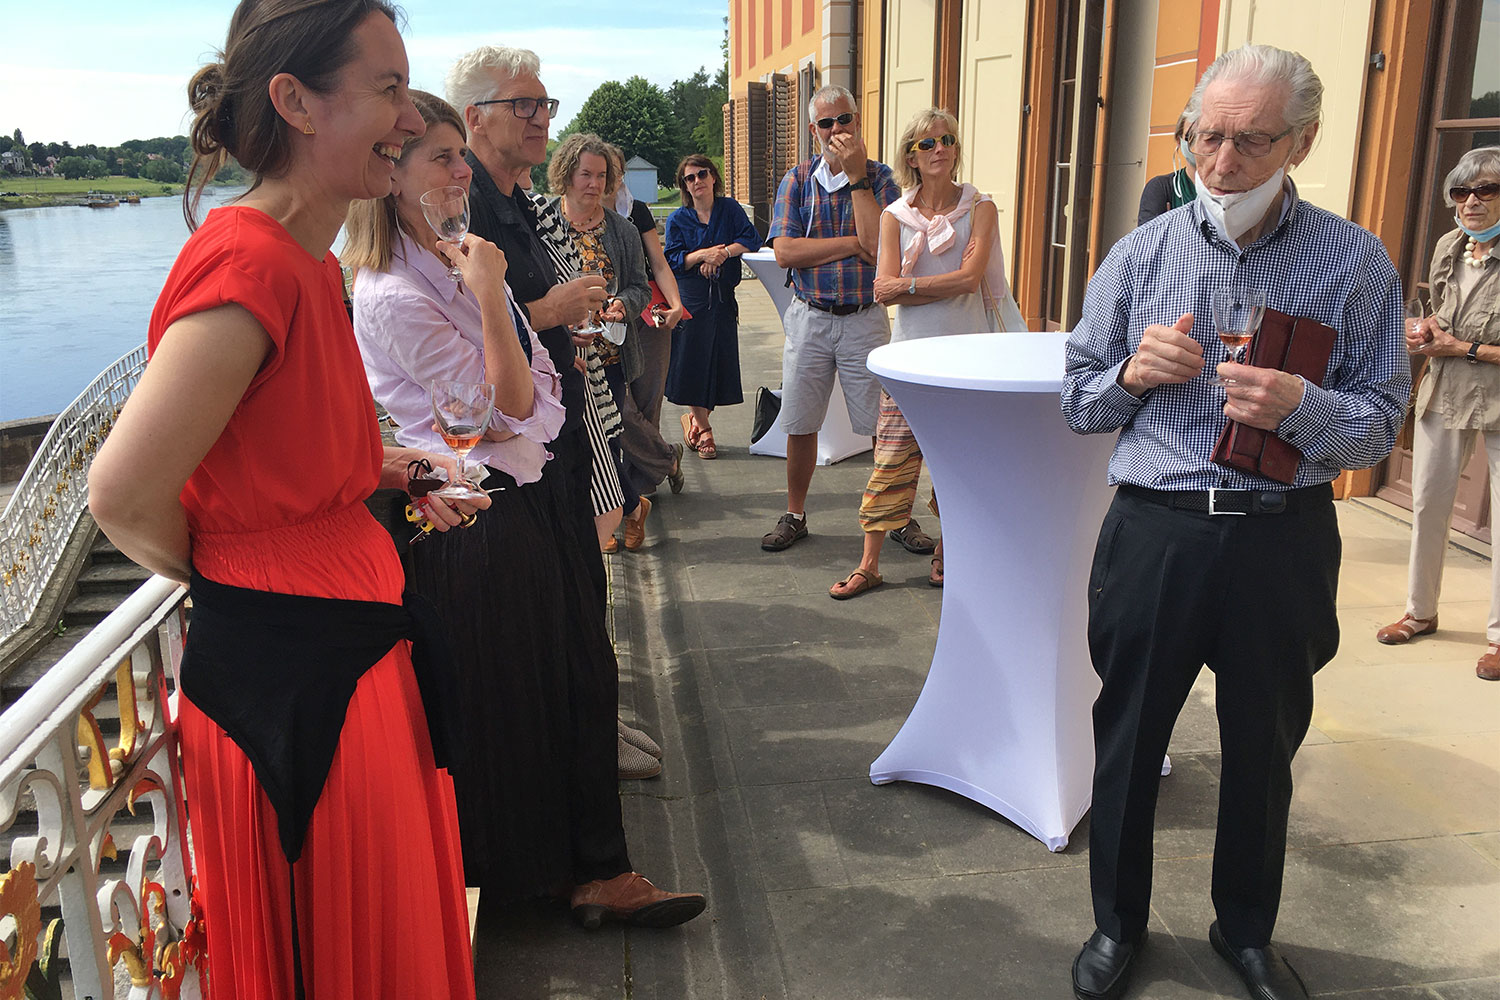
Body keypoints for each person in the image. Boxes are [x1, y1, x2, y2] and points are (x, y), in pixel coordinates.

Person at [86, 4, 485, 996]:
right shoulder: (252, 262)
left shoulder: (306, 258)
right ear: (296, 102)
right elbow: (122, 493)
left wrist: (378, 472)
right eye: (389, 89)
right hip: (297, 681)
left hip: (341, 659)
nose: (410, 118)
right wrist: (244, 573)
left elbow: (266, 446)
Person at [1061, 45, 1408, 1000]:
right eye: (1205, 137)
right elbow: (1078, 401)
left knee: (1264, 749)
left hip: (1281, 535)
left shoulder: (1355, 260)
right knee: (1129, 741)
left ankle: (1245, 930)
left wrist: (1300, 403)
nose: (1220, 163)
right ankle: (1116, 924)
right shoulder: (1140, 254)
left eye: (1251, 141)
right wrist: (1131, 374)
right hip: (1158, 531)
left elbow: (1380, 421)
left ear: (1303, 141)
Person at [346, 90, 706, 928]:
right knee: (516, 696)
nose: (459, 171)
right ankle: (540, 882)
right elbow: (507, 406)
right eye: (441, 157)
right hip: (475, 515)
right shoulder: (397, 291)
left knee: (575, 672)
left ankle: (593, 870)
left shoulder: (458, 258)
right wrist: (491, 299)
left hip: (530, 490)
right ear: (391, 175)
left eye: (457, 155)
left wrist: (501, 320)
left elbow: (540, 386)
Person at [831, 107, 1023, 599]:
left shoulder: (980, 207)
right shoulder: (895, 216)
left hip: (968, 361)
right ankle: (869, 564)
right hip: (910, 361)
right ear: (911, 157)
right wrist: (927, 284)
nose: (940, 149)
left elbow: (970, 280)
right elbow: (883, 290)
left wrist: (910, 284)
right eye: (927, 143)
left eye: (947, 140)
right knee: (890, 458)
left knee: (959, 464)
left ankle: (946, 549)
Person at [445, 46, 609, 600]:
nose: (541, 118)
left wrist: (563, 331)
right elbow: (466, 333)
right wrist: (553, 313)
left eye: (545, 104)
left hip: (551, 441)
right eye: (522, 104)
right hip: (512, 466)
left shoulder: (517, 199)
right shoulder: (462, 212)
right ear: (475, 118)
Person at [1376, 146, 1500, 681]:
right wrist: (1425, 330)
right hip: (1444, 390)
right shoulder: (1450, 245)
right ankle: (1419, 612)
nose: (1472, 201)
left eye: (1486, 189)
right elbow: (1441, 316)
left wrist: (1462, 348)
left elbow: (1463, 341)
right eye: (1461, 191)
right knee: (1427, 503)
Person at [763, 85, 900, 550]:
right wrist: (850, 245)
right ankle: (795, 513)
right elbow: (785, 252)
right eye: (827, 122)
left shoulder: (880, 179)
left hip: (864, 316)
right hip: (811, 316)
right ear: (813, 130)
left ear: (857, 121)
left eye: (844, 119)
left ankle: (895, 516)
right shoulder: (798, 179)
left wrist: (858, 178)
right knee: (800, 421)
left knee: (883, 426)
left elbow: (879, 249)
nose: (837, 129)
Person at [547, 134, 654, 551]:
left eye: (602, 175)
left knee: (606, 442)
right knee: (573, 444)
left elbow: (640, 287)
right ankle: (629, 507)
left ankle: (612, 515)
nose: (594, 184)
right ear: (566, 175)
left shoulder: (623, 230)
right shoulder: (543, 223)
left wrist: (624, 305)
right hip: (559, 355)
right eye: (585, 174)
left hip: (607, 356)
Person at [664, 154, 761, 460]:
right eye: (690, 178)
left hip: (722, 298)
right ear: (684, 185)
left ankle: (694, 419)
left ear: (713, 177)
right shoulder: (678, 219)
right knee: (693, 365)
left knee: (717, 364)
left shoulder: (729, 209)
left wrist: (723, 254)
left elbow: (752, 238)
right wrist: (702, 255)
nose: (697, 181)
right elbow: (672, 260)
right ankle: (705, 429)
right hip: (691, 300)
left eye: (702, 174)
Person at [607, 143, 686, 499]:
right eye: (597, 171)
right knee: (614, 404)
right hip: (605, 320)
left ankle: (639, 489)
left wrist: (676, 305)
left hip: (648, 313)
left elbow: (658, 262)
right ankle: (667, 458)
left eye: (614, 171)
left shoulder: (635, 210)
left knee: (647, 400)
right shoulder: (573, 215)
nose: (607, 179)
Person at [1137, 114, 1197, 226]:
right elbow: (1150, 235)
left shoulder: (1228, 189)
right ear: (1179, 140)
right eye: (1191, 136)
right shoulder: (1161, 188)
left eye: (1209, 137)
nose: (1199, 143)